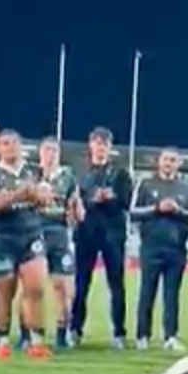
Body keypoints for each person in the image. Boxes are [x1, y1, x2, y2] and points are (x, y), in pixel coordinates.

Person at [0, 130, 52, 360]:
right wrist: (19, 194)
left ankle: (36, 341)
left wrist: (34, 195)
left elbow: (46, 199)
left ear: (21, 146)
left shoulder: (35, 171)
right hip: (1, 238)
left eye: (13, 143)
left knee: (36, 288)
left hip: (31, 234)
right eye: (5, 143)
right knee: (4, 292)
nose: (10, 147)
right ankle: (2, 339)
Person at [70, 127, 133, 348]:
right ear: (90, 145)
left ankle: (119, 333)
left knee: (116, 284)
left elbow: (126, 202)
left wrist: (110, 197)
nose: (100, 147)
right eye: (97, 143)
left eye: (104, 143)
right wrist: (90, 199)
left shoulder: (120, 173)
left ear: (109, 147)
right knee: (81, 283)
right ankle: (75, 329)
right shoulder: (80, 171)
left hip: (113, 233)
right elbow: (74, 199)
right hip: (86, 233)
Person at [129, 147, 188, 350]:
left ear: (179, 164)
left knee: (172, 294)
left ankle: (170, 336)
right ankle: (143, 336)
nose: (169, 163)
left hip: (176, 248)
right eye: (166, 159)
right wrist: (157, 208)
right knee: (147, 292)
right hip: (151, 246)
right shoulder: (146, 184)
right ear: (159, 161)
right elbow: (133, 212)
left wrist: (178, 210)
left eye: (173, 160)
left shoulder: (186, 188)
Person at [37, 137, 83, 348]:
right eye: (47, 150)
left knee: (62, 287)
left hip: (59, 232)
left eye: (54, 150)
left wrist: (77, 212)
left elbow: (76, 208)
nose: (50, 154)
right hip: (34, 232)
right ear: (40, 152)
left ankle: (62, 332)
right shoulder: (30, 175)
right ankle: (30, 332)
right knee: (32, 285)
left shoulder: (68, 178)